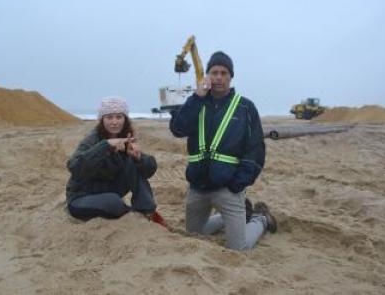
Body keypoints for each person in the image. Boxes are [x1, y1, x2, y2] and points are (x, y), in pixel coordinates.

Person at [169, 51, 277, 250]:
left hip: (228, 188)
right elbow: (177, 129)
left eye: (224, 73)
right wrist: (196, 98)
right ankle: (240, 214)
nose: (219, 77)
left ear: (231, 76)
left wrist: (238, 183)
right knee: (193, 236)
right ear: (207, 76)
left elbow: (255, 150)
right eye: (214, 72)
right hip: (198, 187)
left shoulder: (245, 107)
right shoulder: (196, 102)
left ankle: (261, 219)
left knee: (239, 248)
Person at [66, 96, 165, 226]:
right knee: (113, 202)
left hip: (108, 190)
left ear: (125, 119)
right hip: (82, 197)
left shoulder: (125, 137)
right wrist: (106, 145)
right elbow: (74, 167)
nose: (114, 122)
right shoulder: (92, 139)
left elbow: (149, 170)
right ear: (102, 120)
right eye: (109, 117)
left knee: (133, 163)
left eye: (119, 117)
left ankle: (147, 211)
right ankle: (134, 215)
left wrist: (138, 157)